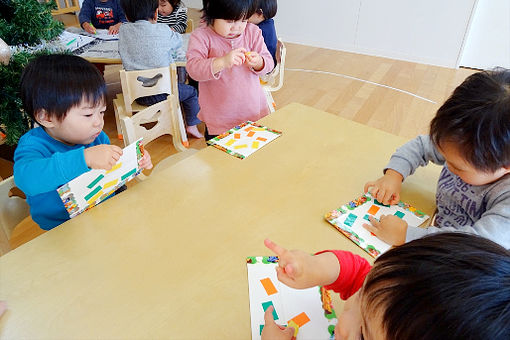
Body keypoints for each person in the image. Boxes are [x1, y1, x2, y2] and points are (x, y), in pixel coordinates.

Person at [262, 234, 510, 340]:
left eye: (362, 334)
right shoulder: (387, 303)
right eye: (362, 294)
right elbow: (358, 272)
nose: (343, 320)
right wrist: (316, 268)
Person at [363, 69, 510, 249]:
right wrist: (394, 175)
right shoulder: (461, 144)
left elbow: (477, 244)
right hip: (438, 226)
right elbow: (420, 146)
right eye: (444, 155)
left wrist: (407, 235)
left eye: (457, 168)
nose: (446, 163)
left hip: (472, 257)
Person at [13, 55, 152, 230]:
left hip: (102, 211)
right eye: (88, 115)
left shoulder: (97, 137)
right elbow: (28, 180)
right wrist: (83, 159)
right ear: (46, 117)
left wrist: (133, 161)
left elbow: (110, 170)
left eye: (101, 112)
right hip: (60, 229)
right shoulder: (33, 146)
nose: (98, 122)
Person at [186, 0, 274, 140]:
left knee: (253, 156)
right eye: (230, 21)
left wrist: (259, 62)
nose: (237, 27)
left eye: (243, 20)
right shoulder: (202, 36)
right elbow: (193, 69)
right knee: (218, 160)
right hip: (219, 118)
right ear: (212, 14)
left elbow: (269, 64)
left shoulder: (252, 32)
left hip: (251, 111)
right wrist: (221, 62)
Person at [118, 0, 203, 138]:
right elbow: (178, 41)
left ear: (126, 16)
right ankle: (192, 126)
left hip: (136, 95)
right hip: (166, 93)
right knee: (192, 92)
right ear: (156, 13)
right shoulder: (163, 30)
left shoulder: (123, 31)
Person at [248, 0, 277, 67]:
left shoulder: (259, 30)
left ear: (260, 13)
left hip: (266, 64)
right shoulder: (268, 23)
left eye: (248, 11)